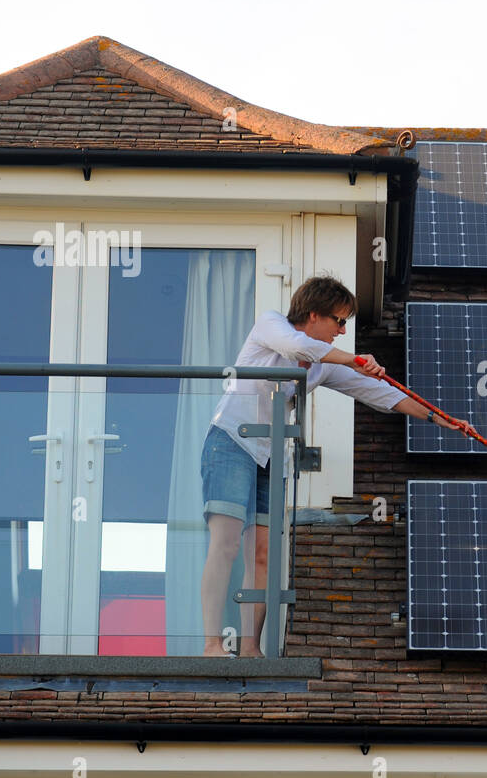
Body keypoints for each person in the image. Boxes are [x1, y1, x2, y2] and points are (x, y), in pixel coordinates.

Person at [199, 276, 468, 656]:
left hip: (270, 455)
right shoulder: (270, 323)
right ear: (314, 314)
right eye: (339, 321)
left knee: (262, 553)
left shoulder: (323, 365)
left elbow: (381, 394)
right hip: (230, 440)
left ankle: (249, 649)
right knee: (225, 543)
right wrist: (356, 360)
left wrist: (440, 419)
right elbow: (297, 345)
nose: (343, 331)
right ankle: (212, 644)